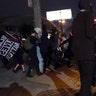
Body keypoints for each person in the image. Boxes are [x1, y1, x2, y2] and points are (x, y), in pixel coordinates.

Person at [72, 0, 96, 96]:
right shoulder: (88, 16)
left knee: (83, 78)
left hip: (79, 54)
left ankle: (85, 93)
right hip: (87, 53)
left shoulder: (76, 18)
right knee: (87, 80)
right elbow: (90, 34)